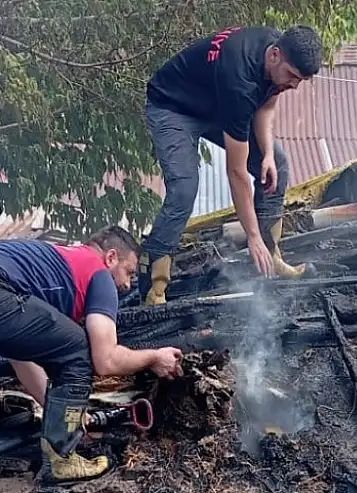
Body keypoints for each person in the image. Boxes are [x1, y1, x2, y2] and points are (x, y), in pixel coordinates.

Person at [0, 226, 185, 484]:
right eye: (129, 272)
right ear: (110, 258)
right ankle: (62, 459)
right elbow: (105, 360)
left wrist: (64, 417)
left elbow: (22, 356)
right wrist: (154, 357)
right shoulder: (97, 272)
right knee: (78, 346)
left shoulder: (49, 265)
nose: (128, 284)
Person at [138, 24, 324, 305]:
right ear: (274, 56)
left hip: (214, 105)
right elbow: (236, 173)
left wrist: (268, 155)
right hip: (173, 106)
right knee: (185, 188)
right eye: (293, 77)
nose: (294, 86)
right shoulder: (240, 81)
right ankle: (154, 285)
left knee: (279, 165)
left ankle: (271, 257)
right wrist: (251, 236)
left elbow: (266, 104)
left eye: (300, 80)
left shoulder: (276, 49)